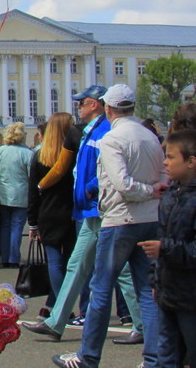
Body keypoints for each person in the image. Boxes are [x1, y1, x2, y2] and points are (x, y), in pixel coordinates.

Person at [51, 84, 166, 368]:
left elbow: (122, 185)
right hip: (149, 219)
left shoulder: (113, 139)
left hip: (119, 220)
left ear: (109, 108)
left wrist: (148, 192)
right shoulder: (150, 136)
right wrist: (154, 192)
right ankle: (152, 359)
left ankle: (87, 356)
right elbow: (161, 176)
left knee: (101, 288)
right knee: (145, 289)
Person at [23, 85, 143, 342]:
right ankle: (56, 321)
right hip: (90, 211)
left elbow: (111, 169)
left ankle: (143, 324)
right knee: (76, 265)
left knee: (119, 269)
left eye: (82, 103)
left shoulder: (106, 131)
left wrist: (91, 188)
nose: (78, 107)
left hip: (103, 209)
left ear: (97, 105)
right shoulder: (88, 131)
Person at [139, 128, 196, 368]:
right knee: (166, 355)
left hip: (190, 296)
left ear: (191, 161)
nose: (165, 162)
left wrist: (165, 249)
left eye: (171, 157)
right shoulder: (172, 194)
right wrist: (155, 280)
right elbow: (162, 235)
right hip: (168, 292)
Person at [27, 112, 76, 313]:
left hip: (48, 213)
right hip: (71, 211)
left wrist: (32, 222)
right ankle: (62, 306)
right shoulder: (73, 154)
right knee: (69, 263)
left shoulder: (40, 155)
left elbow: (32, 191)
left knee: (54, 263)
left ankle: (58, 306)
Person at [0, 121, 32, 267]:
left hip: (4, 194)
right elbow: (31, 175)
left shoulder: (0, 151)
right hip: (21, 194)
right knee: (17, 227)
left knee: (5, 226)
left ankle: (5, 257)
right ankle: (14, 257)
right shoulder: (27, 153)